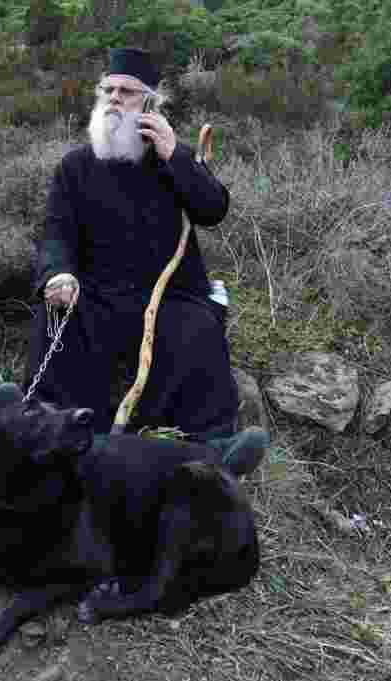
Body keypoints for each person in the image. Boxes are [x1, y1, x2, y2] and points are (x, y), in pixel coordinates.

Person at [25, 47, 267, 473]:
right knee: (55, 319)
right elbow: (56, 233)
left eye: (128, 92)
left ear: (151, 103)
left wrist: (176, 155)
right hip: (95, 292)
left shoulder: (175, 158)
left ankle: (211, 452)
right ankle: (52, 434)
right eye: (109, 90)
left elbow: (212, 210)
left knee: (199, 328)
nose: (115, 99)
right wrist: (58, 273)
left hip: (168, 292)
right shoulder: (75, 167)